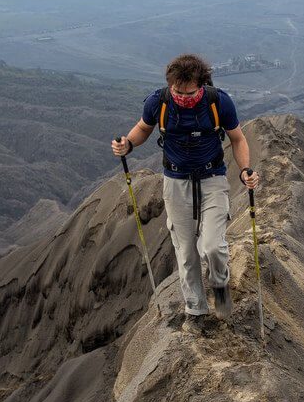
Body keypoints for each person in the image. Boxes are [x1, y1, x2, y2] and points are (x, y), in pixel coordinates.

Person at [111, 53, 260, 334]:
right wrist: (128, 144)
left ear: (201, 85)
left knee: (213, 246)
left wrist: (245, 170)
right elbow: (144, 128)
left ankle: (219, 284)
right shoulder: (159, 101)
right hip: (176, 181)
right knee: (186, 252)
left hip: (212, 177)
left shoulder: (218, 101)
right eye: (177, 92)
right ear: (170, 85)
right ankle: (196, 310)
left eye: (188, 93)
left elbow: (237, 138)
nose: (182, 97)